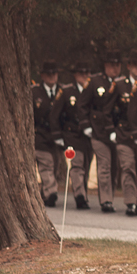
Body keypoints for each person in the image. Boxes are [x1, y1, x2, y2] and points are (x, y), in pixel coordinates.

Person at [106, 49, 137, 216]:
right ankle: (131, 202)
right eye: (134, 65)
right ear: (128, 66)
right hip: (123, 133)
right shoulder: (119, 84)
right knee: (128, 166)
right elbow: (107, 109)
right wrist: (111, 130)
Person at [83, 50, 121, 212]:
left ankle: (110, 196)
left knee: (114, 167)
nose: (115, 69)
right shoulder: (94, 81)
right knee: (104, 164)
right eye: (112, 65)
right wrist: (86, 125)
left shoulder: (122, 83)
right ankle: (106, 200)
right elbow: (82, 105)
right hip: (98, 130)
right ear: (106, 66)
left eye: (117, 65)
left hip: (117, 130)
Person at [53, 61, 94, 209]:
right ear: (75, 75)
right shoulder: (67, 91)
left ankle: (83, 192)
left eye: (87, 73)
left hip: (88, 136)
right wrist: (57, 134)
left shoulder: (92, 91)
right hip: (71, 134)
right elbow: (55, 114)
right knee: (76, 165)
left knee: (86, 165)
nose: (85, 76)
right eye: (81, 73)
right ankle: (80, 196)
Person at [31, 60, 65, 207]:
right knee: (46, 164)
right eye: (48, 74)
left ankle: (44, 193)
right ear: (43, 76)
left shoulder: (63, 91)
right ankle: (51, 193)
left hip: (57, 136)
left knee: (56, 166)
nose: (52, 77)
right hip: (40, 135)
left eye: (54, 74)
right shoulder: (34, 92)